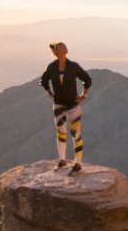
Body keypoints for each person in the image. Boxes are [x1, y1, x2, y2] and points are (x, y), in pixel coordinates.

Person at [39, 41, 93, 174]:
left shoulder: (73, 66)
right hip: (59, 105)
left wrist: (83, 96)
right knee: (61, 133)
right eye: (61, 46)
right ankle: (62, 161)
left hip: (73, 105)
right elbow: (43, 81)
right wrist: (50, 94)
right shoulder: (51, 67)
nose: (64, 46)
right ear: (57, 52)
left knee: (76, 134)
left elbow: (87, 79)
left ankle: (78, 163)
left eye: (64, 45)